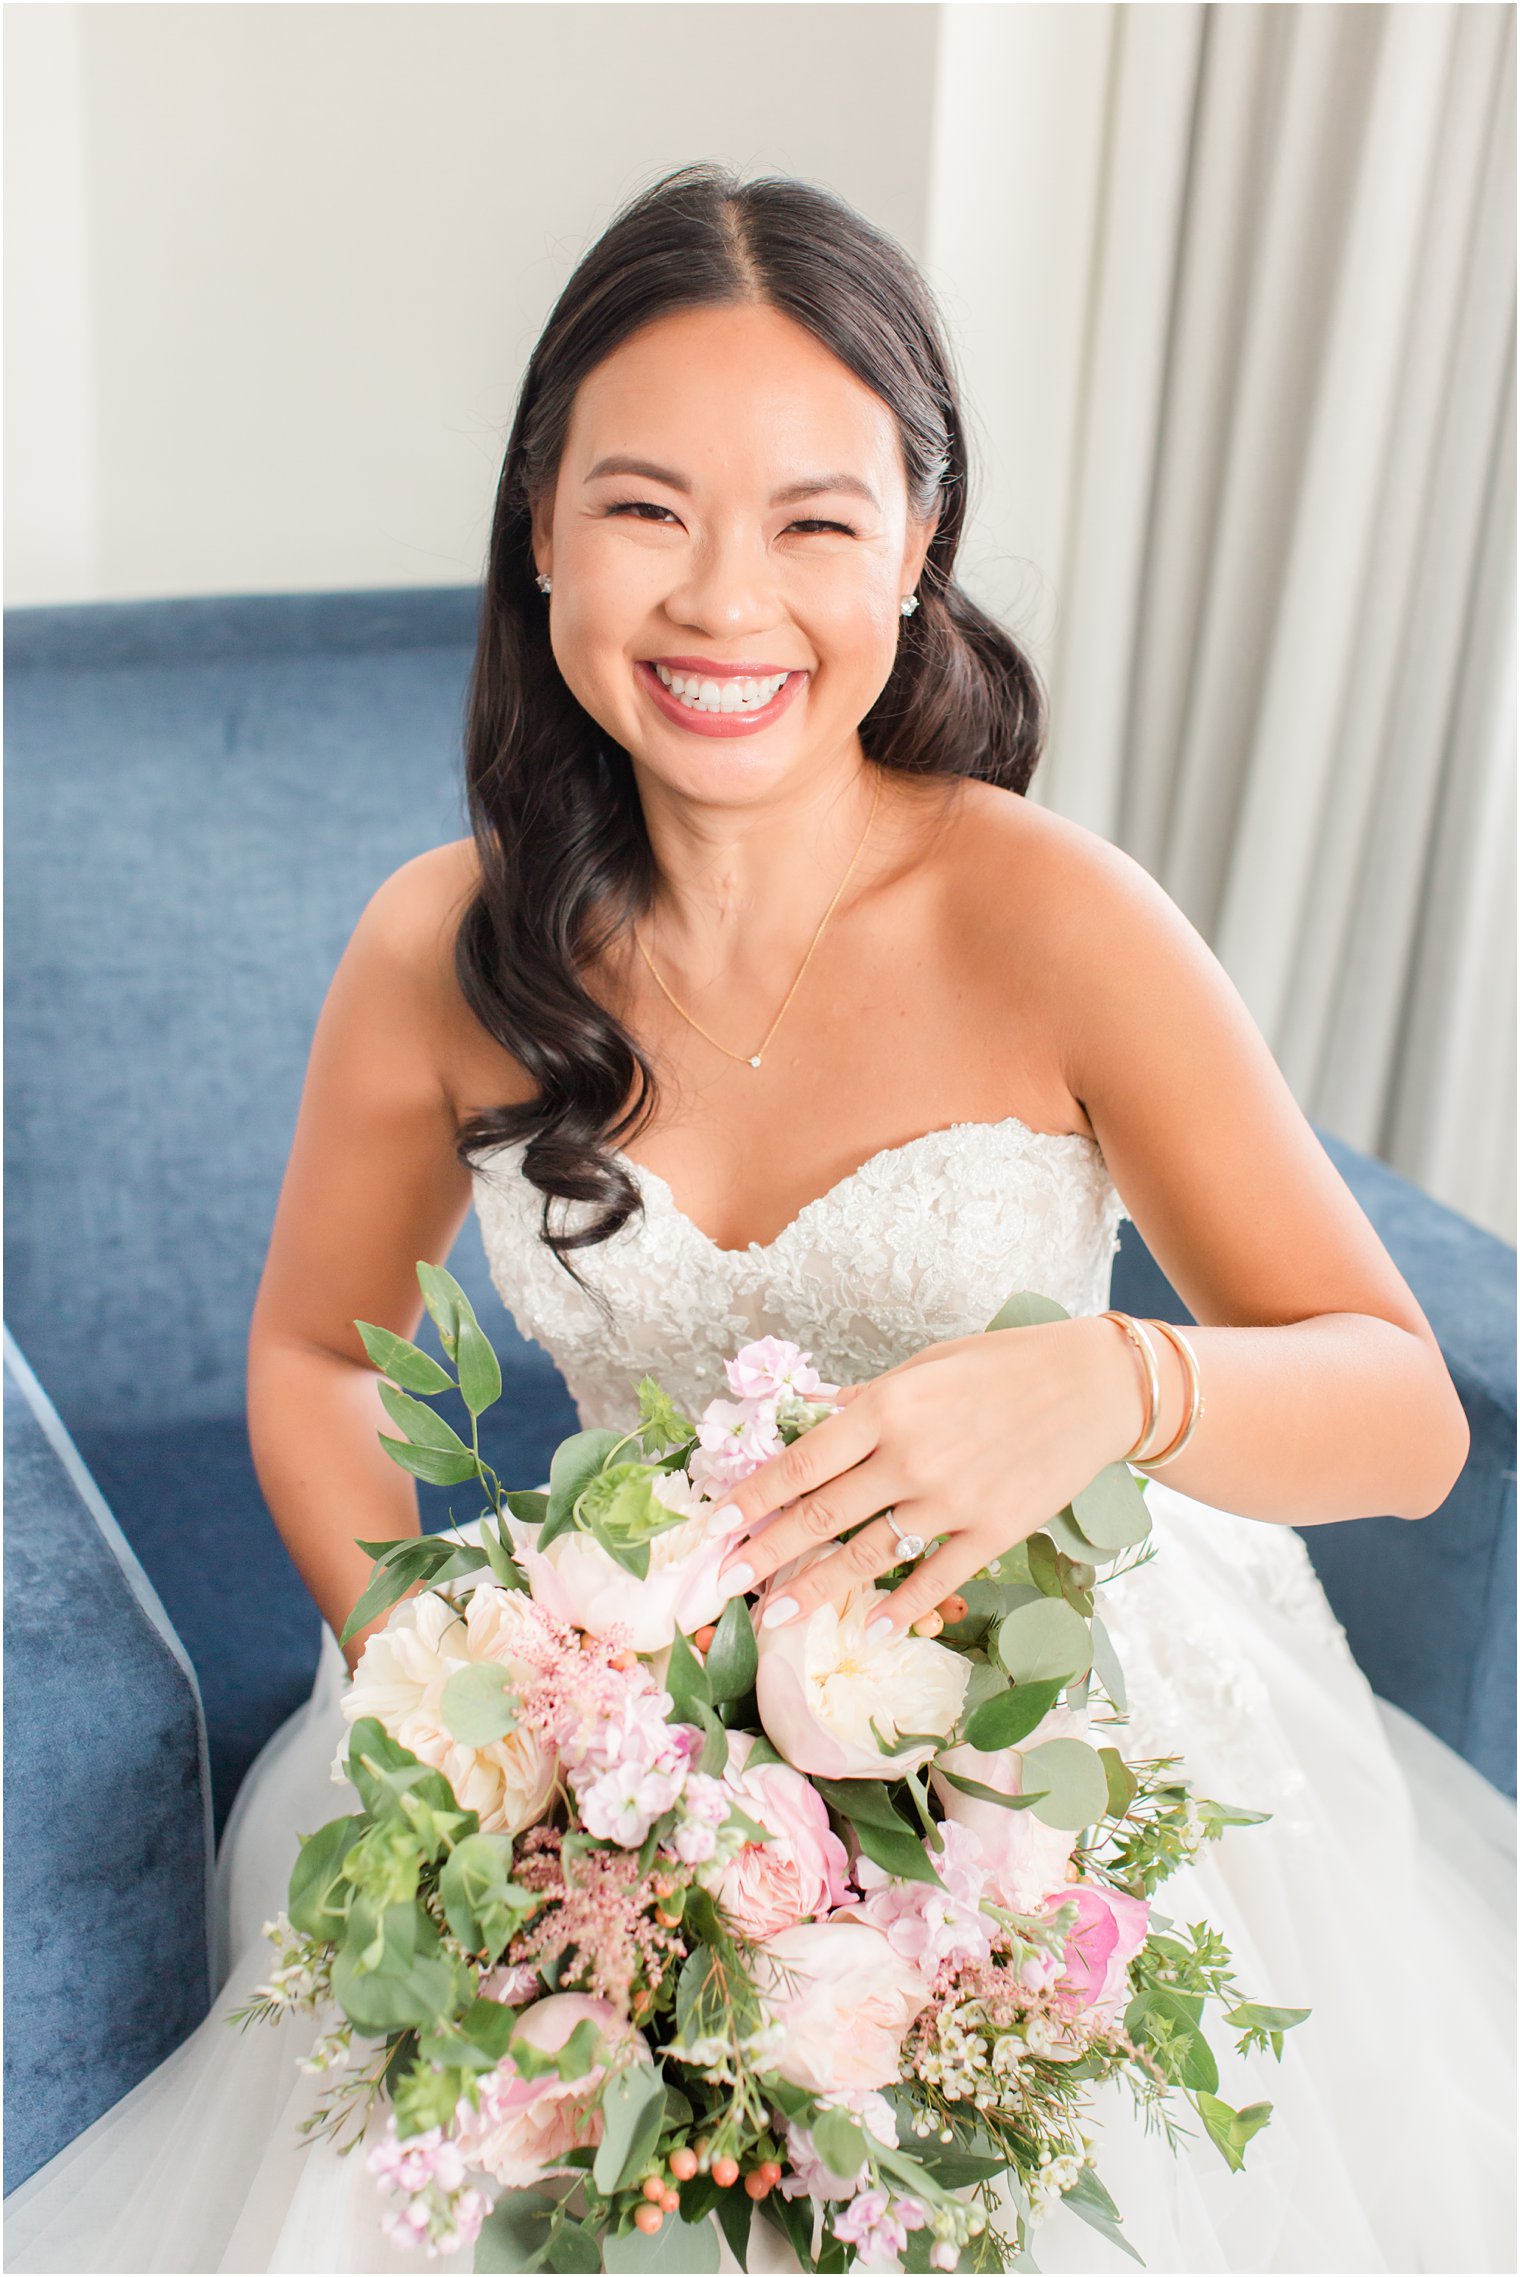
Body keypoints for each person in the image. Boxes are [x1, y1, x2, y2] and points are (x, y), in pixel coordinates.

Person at [5, 161, 1512, 2276]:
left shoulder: (1056, 917)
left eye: (815, 518)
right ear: (541, 525)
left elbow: (1404, 1414)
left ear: (917, 546)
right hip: (623, 1727)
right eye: (646, 508)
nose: (726, 603)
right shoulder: (436, 948)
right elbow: (317, 1351)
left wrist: (1110, 1381)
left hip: (1084, 1756)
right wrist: (453, 1684)